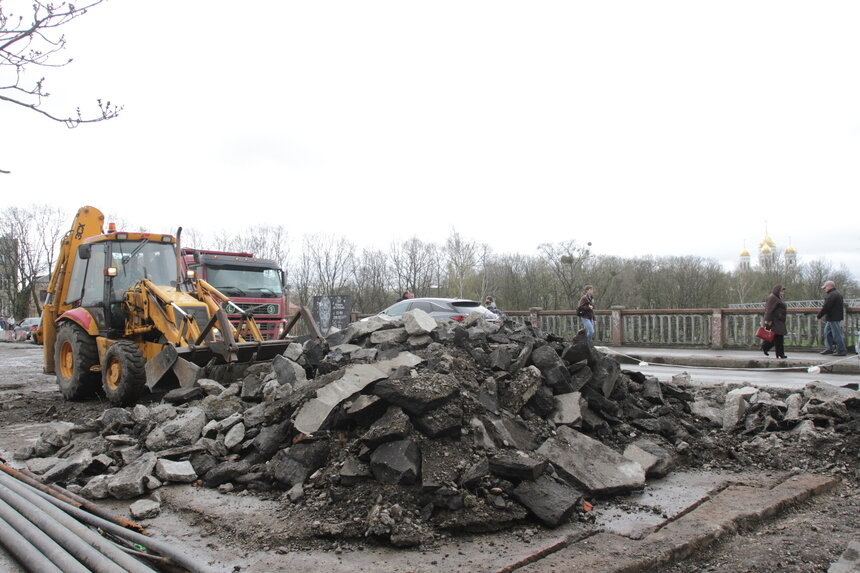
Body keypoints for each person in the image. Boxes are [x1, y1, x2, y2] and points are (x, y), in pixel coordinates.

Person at [817, 280, 847, 356]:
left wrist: (819, 316)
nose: (824, 289)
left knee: (837, 334)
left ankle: (841, 350)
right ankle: (829, 348)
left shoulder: (832, 295)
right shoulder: (837, 294)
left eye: (825, 287)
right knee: (827, 332)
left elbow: (826, 307)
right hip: (832, 318)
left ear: (830, 286)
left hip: (834, 318)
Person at [762, 284, 788, 359]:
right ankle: (778, 353)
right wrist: (767, 321)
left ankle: (768, 348)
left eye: (783, 290)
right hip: (774, 321)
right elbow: (769, 310)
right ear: (777, 290)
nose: (783, 292)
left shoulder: (777, 298)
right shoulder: (772, 298)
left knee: (777, 337)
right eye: (781, 290)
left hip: (778, 321)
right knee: (778, 337)